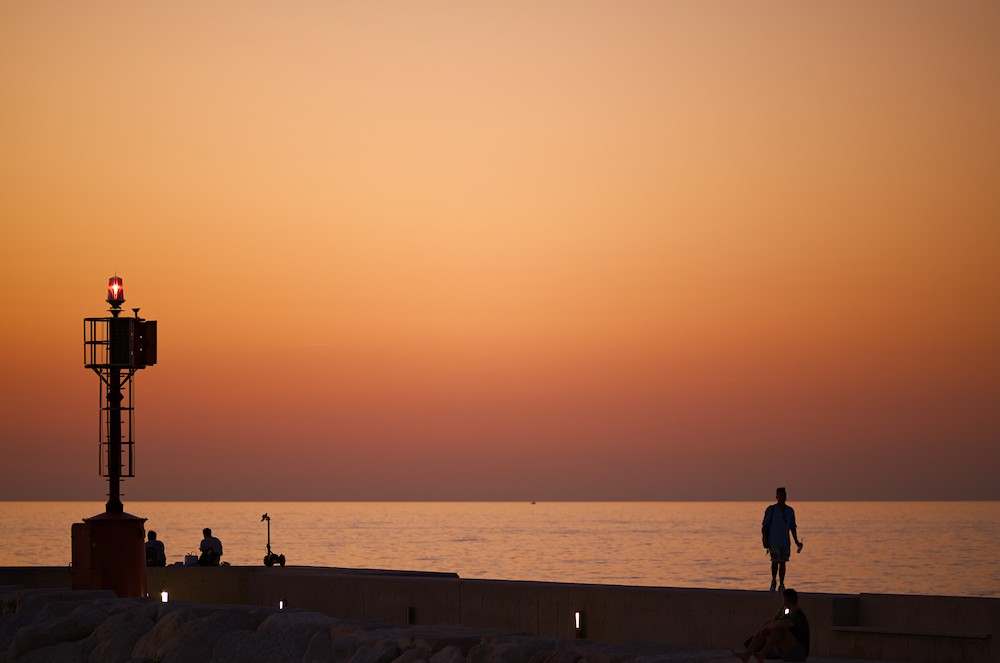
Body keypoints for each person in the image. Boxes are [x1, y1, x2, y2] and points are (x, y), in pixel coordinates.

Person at [732, 587, 810, 662]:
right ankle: (747, 654)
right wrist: (778, 612)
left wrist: (766, 627)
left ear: (785, 601)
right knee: (770, 626)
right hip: (786, 653)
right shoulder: (788, 615)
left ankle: (761, 655)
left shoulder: (798, 616)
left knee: (777, 629)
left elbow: (781, 625)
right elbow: (773, 623)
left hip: (799, 654)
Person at [761, 486, 803, 592]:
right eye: (781, 495)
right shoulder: (771, 509)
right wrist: (765, 539)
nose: (783, 497)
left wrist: (796, 541)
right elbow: (765, 526)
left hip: (785, 542)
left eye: (784, 495)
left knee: (783, 563)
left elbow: (792, 527)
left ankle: (781, 584)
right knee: (775, 562)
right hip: (773, 541)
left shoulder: (790, 511)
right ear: (777, 497)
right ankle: (773, 581)